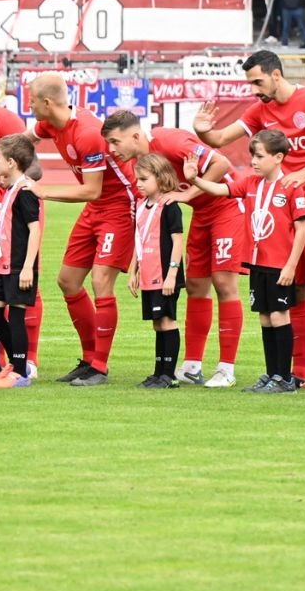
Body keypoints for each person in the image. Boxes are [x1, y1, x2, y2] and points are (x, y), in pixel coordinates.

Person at [193, 50, 305, 388]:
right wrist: (202, 131)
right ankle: (298, 373)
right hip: (280, 215)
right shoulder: (260, 110)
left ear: (276, 75)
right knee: (294, 291)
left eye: (258, 81)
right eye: (250, 83)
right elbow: (219, 139)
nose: (254, 89)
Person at [100, 109, 241, 388]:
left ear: (135, 136)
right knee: (196, 286)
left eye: (115, 142)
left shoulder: (170, 141)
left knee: (224, 282)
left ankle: (226, 369)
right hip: (201, 213)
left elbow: (222, 164)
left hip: (227, 206)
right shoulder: (140, 165)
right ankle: (191, 366)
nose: (111, 149)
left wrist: (187, 194)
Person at [28, 72, 135, 385]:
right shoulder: (50, 123)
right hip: (96, 209)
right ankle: (88, 359)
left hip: (118, 207)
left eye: (32, 101)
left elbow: (92, 190)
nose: (29, 106)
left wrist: (43, 191)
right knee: (68, 281)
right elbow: (24, 140)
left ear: (47, 102)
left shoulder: (87, 133)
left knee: (101, 280)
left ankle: (99, 367)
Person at [197, 129, 305, 393]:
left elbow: (302, 229)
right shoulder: (250, 184)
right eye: (253, 156)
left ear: (278, 157)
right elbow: (220, 189)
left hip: (280, 265)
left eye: (259, 156)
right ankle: (272, 374)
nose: (254, 161)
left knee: (279, 315)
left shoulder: (291, 186)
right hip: (257, 263)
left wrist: (291, 266)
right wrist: (195, 179)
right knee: (265, 317)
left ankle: (284, 377)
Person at [0, 134, 42, 389]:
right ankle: (16, 363)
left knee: (16, 317)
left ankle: (20, 373)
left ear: (10, 162)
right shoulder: (10, 189)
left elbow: (35, 229)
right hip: (4, 264)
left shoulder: (25, 192)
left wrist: (28, 267)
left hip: (19, 265)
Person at [127, 152, 188, 389]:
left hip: (165, 275)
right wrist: (133, 270)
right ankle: (158, 372)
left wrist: (172, 274)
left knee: (167, 321)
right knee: (157, 323)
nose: (139, 184)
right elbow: (139, 239)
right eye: (138, 179)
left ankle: (169, 375)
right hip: (148, 273)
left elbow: (177, 241)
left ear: (161, 178)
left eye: (144, 179)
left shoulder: (170, 206)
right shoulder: (141, 205)